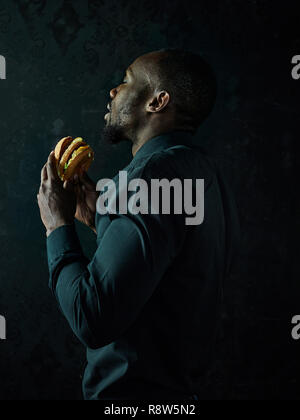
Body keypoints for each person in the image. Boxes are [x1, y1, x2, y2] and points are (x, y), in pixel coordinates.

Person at [37, 48, 241, 400]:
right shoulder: (203, 172)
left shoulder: (147, 178)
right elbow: (172, 271)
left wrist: (57, 225)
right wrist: (102, 220)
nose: (114, 90)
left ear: (158, 101)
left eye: (127, 80)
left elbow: (92, 317)